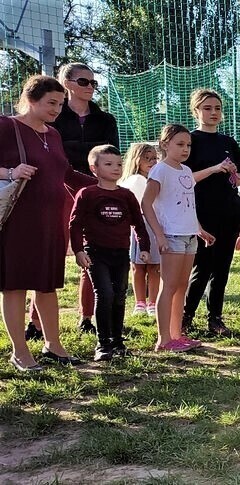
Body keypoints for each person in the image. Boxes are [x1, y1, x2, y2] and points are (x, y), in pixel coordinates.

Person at [1, 75, 95, 371]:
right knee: (14, 286)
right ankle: (20, 352)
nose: (57, 109)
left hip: (51, 222)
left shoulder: (52, 134)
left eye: (60, 103)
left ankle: (53, 345)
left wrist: (102, 187)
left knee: (47, 286)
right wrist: (9, 172)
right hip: (16, 221)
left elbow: (65, 173)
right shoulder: (6, 126)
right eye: (51, 103)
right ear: (30, 99)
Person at [53, 62, 120, 335]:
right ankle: (35, 323)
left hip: (96, 190)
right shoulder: (54, 117)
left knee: (92, 254)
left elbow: (110, 154)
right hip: (60, 187)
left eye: (93, 82)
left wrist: (73, 150)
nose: (90, 87)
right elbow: (55, 154)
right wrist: (87, 152)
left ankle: (87, 318)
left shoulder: (106, 120)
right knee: (54, 253)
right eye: (84, 82)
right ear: (67, 83)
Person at [70, 145, 150, 361]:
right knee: (104, 294)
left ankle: (117, 340)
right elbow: (75, 224)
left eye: (118, 164)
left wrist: (144, 247)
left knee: (119, 295)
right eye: (108, 164)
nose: (115, 168)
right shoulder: (87, 194)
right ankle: (103, 343)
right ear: (94, 168)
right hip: (96, 252)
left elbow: (139, 223)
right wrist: (78, 250)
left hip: (121, 253)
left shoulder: (127, 195)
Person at [142, 124, 214, 353]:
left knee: (181, 286)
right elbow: (146, 204)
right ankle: (163, 339)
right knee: (169, 286)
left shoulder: (184, 171)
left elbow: (186, 205)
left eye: (188, 145)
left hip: (189, 236)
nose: (185, 149)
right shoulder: (160, 170)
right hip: (171, 236)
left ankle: (176, 335)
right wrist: (159, 234)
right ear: (165, 144)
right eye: (180, 144)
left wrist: (199, 228)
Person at [181, 89, 240, 337]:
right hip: (202, 212)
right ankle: (186, 316)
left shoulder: (229, 142)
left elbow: (238, 181)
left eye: (217, 108)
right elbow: (185, 179)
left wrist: (232, 173)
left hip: (229, 210)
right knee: (203, 266)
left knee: (223, 266)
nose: (213, 113)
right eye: (207, 108)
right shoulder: (190, 141)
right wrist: (215, 168)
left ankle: (215, 318)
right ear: (196, 111)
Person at [120, 142, 160, 316]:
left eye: (154, 158)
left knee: (154, 266)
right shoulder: (134, 181)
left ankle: (153, 302)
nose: (152, 162)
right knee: (138, 266)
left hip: (156, 225)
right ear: (137, 160)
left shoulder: (157, 179)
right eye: (147, 158)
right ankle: (140, 302)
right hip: (139, 226)